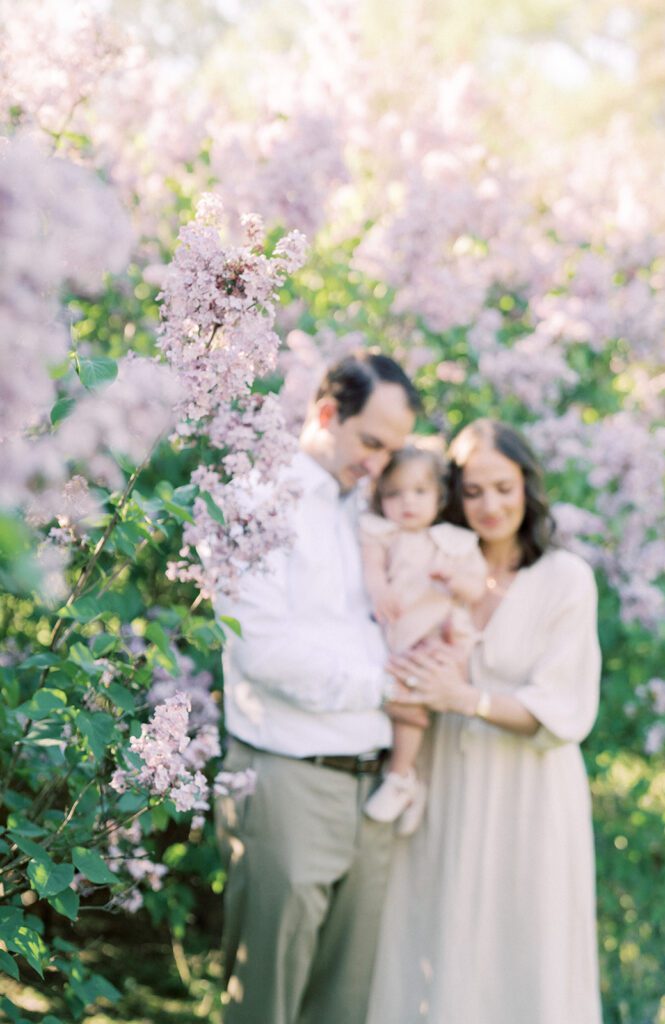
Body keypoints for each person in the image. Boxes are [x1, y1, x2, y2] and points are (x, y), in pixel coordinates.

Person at [367, 418, 603, 1024]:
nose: (490, 505)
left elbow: (564, 710)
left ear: (528, 485)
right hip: (444, 777)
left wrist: (464, 697)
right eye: (472, 492)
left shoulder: (565, 579)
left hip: (528, 790)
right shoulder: (434, 561)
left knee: (524, 946)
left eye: (503, 487)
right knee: (431, 932)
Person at [213, 351, 419, 1024]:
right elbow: (263, 649)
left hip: (371, 790)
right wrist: (387, 687)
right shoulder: (256, 496)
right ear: (327, 414)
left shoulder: (363, 512)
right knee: (266, 1003)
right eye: (371, 443)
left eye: (392, 450)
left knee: (344, 1006)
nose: (380, 464)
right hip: (288, 782)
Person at [360, 445, 486, 833]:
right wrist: (380, 591)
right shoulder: (381, 533)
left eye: (419, 492)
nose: (407, 503)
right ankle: (409, 784)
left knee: (410, 699)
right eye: (394, 494)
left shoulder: (452, 542)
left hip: (435, 634)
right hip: (395, 633)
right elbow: (373, 572)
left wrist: (454, 580)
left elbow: (477, 588)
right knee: (391, 700)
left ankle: (400, 778)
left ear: (439, 497)